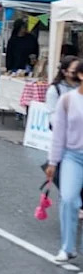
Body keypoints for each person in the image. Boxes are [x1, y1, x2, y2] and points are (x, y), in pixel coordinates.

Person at [46, 70, 83, 262]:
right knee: (68, 199)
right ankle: (67, 247)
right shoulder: (67, 100)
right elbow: (58, 132)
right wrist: (53, 161)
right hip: (72, 156)